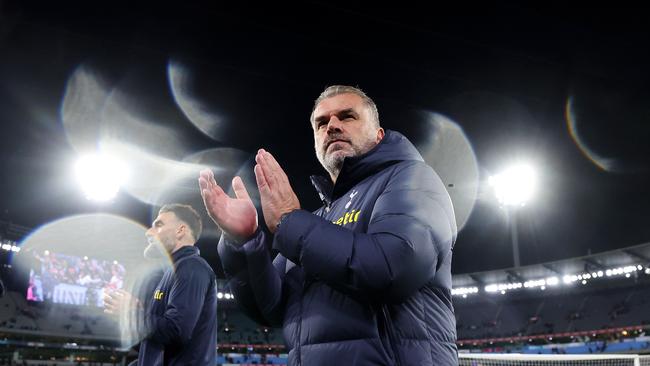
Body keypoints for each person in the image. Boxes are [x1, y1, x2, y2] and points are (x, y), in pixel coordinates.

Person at [199, 85, 457, 365]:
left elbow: (396, 265)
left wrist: (289, 220)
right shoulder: (317, 219)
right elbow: (271, 307)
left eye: (347, 117)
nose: (332, 126)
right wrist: (245, 243)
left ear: (379, 135)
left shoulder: (411, 178)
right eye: (321, 123)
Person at [104, 204, 217, 366]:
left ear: (180, 230)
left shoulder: (191, 267)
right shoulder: (173, 271)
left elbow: (175, 332)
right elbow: (154, 343)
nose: (148, 232)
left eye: (158, 224)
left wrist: (133, 313)